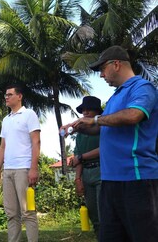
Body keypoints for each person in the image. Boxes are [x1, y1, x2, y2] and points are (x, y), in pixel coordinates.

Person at [61, 45, 158, 242]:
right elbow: (103, 127)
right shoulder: (115, 97)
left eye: (102, 69)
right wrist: (80, 126)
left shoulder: (142, 87)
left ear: (116, 64)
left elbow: (133, 115)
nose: (102, 75)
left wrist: (95, 120)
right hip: (110, 181)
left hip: (136, 178)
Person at [0, 84, 41, 242]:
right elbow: (2, 147)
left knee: (28, 212)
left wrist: (34, 168)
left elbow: (36, 142)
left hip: (24, 169)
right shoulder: (6, 120)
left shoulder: (29, 114)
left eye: (10, 94)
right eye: (5, 95)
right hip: (8, 171)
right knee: (11, 214)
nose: (6, 97)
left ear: (19, 96)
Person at [70, 96, 102, 239]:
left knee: (104, 214)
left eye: (89, 109)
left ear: (97, 112)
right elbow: (77, 158)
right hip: (86, 174)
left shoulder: (103, 128)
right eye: (83, 109)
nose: (85, 112)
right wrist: (78, 179)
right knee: (93, 214)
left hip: (102, 171)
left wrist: (82, 157)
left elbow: (104, 149)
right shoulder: (80, 134)